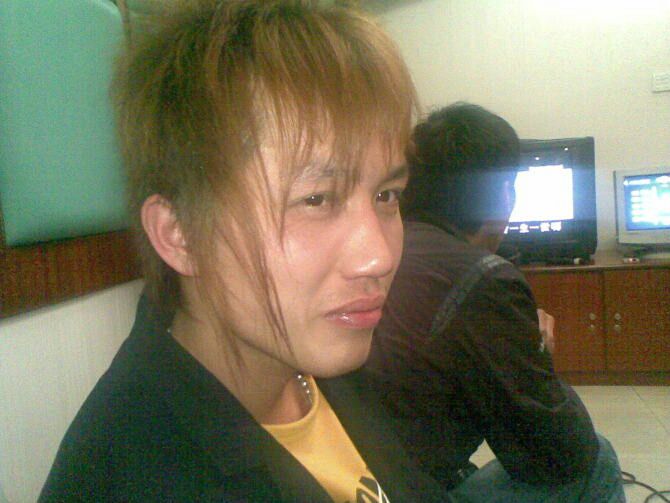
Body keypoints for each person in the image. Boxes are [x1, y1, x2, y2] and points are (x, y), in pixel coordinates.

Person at [39, 1, 451, 500]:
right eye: (316, 200)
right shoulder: (134, 480)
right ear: (179, 234)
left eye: (386, 195)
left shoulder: (316, 357)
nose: (378, 257)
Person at [365, 103, 626, 502]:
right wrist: (534, 349)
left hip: (358, 476)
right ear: (506, 193)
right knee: (597, 459)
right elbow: (560, 453)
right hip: (406, 491)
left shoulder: (380, 248)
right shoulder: (485, 278)